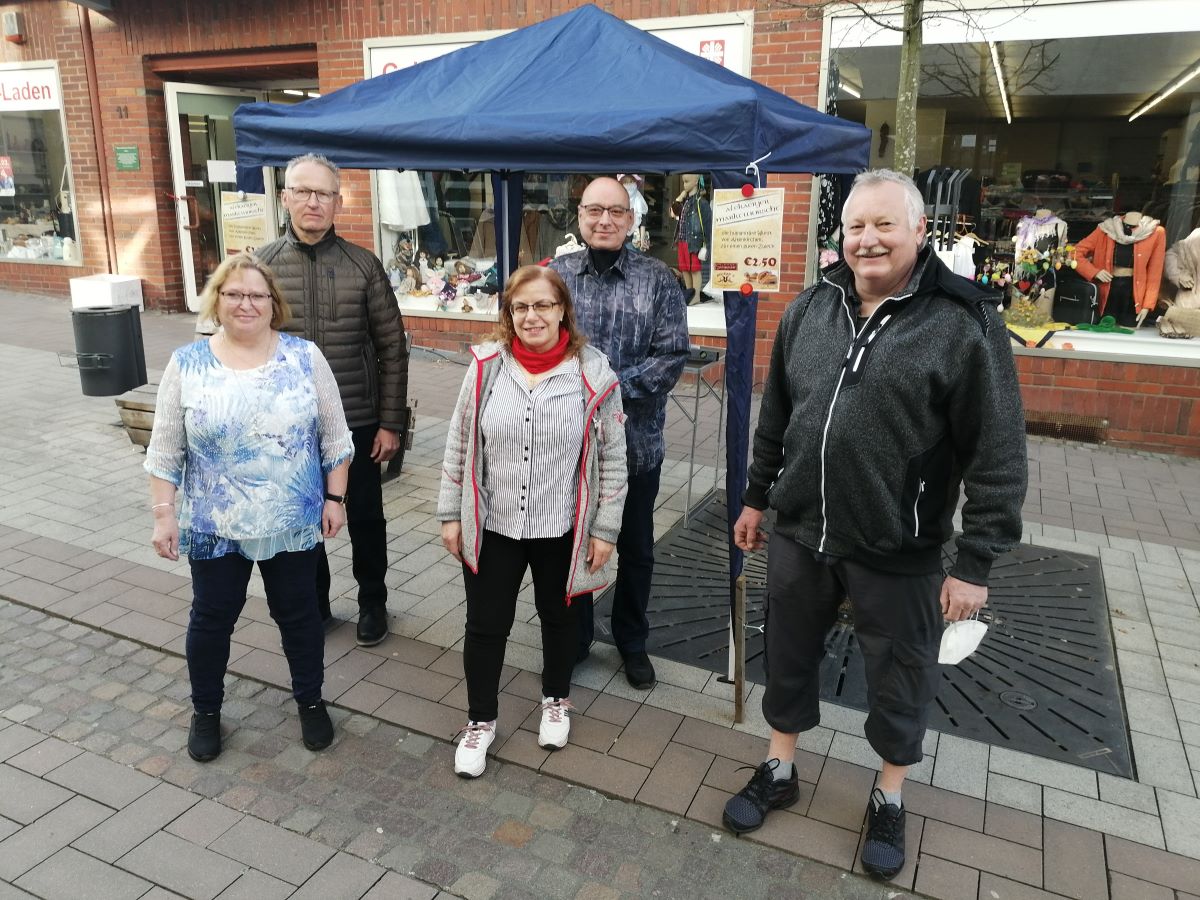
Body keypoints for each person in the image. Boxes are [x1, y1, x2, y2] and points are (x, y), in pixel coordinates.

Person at [722, 170, 1027, 880]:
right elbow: (778, 418)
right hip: (802, 530)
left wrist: (975, 562)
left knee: (901, 672)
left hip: (900, 543)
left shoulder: (963, 322)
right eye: (858, 226)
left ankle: (889, 794)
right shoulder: (811, 307)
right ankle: (779, 764)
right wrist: (755, 498)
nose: (869, 239)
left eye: (886, 225)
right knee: (790, 650)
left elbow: (999, 449)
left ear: (920, 232)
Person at [145, 252, 354, 763]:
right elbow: (166, 448)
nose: (245, 303)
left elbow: (335, 436)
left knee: (300, 616)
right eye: (233, 293)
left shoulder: (305, 358)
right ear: (216, 301)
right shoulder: (186, 364)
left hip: (291, 521)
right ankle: (207, 712)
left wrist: (335, 497)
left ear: (273, 304)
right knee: (212, 619)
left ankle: (310, 701)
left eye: (256, 294)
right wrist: (163, 512)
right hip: (216, 525)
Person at [437, 265, 628, 778]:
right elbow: (459, 443)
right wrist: (450, 515)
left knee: (560, 620)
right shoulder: (484, 367)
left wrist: (605, 530)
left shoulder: (593, 374)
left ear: (563, 308)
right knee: (485, 626)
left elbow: (613, 459)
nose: (531, 316)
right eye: (520, 307)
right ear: (509, 315)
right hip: (494, 524)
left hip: (562, 527)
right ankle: (480, 722)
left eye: (543, 305)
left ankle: (556, 699)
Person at [257, 153, 408, 647]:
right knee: (303, 516)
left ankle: (373, 602)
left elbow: (391, 346)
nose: (313, 201)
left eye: (323, 193)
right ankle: (315, 603)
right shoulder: (261, 266)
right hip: (290, 424)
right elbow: (242, 344)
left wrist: (391, 423)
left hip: (358, 420)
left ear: (339, 202)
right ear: (285, 198)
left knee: (365, 516)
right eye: (302, 191)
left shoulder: (363, 265)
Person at [548, 176, 689, 690]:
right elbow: (538, 347)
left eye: (615, 211)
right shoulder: (557, 275)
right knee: (574, 544)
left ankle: (632, 639)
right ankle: (578, 636)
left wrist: (607, 391)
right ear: (580, 216)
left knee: (635, 548)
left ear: (631, 220)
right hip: (567, 446)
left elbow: (672, 355)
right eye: (594, 211)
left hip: (636, 447)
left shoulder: (658, 280)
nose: (604, 220)